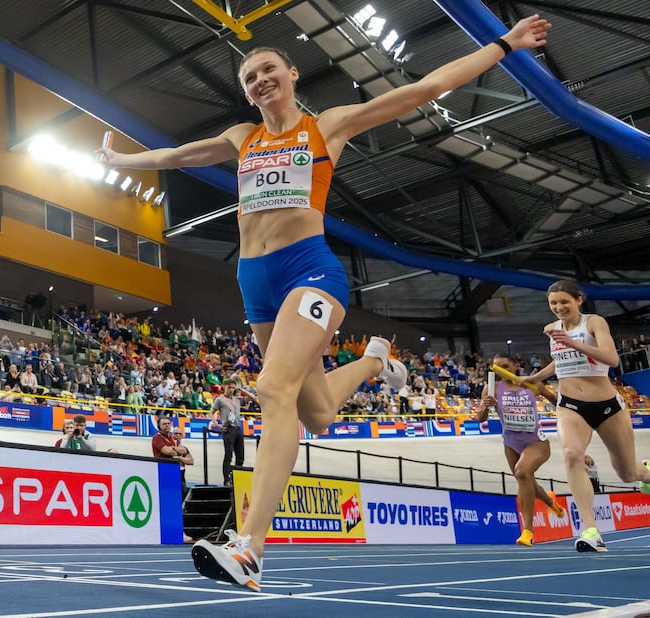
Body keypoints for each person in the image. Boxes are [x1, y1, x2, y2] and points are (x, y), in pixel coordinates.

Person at [97, 14, 549, 592]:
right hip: (254, 281)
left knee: (270, 390)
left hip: (309, 269)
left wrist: (504, 45)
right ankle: (375, 362)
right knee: (313, 413)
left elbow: (426, 89)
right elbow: (177, 156)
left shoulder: (328, 126)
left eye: (267, 70)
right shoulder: (243, 138)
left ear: (290, 74)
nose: (259, 81)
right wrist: (120, 163)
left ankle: (251, 548)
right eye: (249, 77)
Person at [522, 280, 650, 552]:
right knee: (571, 454)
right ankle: (590, 530)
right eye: (553, 303)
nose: (558, 308)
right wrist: (537, 376)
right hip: (569, 404)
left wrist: (572, 342)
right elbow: (562, 360)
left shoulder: (594, 323)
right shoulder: (553, 330)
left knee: (627, 473)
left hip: (607, 406)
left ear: (579, 300)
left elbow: (611, 359)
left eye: (564, 302)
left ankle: (645, 473)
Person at [477, 354, 565, 547]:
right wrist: (485, 407)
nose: (503, 370)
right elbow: (480, 418)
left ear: (516, 366)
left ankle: (528, 531)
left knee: (522, 472)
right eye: (498, 367)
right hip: (510, 444)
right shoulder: (492, 388)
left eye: (506, 366)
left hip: (536, 442)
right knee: (528, 483)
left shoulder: (533, 386)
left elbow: (558, 403)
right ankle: (551, 502)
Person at [210, 378, 250, 486]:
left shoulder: (237, 399)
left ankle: (237, 477)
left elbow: (252, 398)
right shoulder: (220, 399)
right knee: (228, 455)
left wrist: (241, 389)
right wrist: (217, 424)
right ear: (224, 387)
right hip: (228, 429)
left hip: (238, 428)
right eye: (229, 387)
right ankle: (226, 479)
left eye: (233, 388)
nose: (231, 390)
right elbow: (211, 412)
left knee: (240, 456)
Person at [172, 426, 195, 499]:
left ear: (182, 435)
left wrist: (180, 458)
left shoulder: (183, 448)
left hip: (181, 474)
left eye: (179, 434)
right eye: (176, 433)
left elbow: (191, 461)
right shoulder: (169, 445)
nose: (178, 435)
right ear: (172, 434)